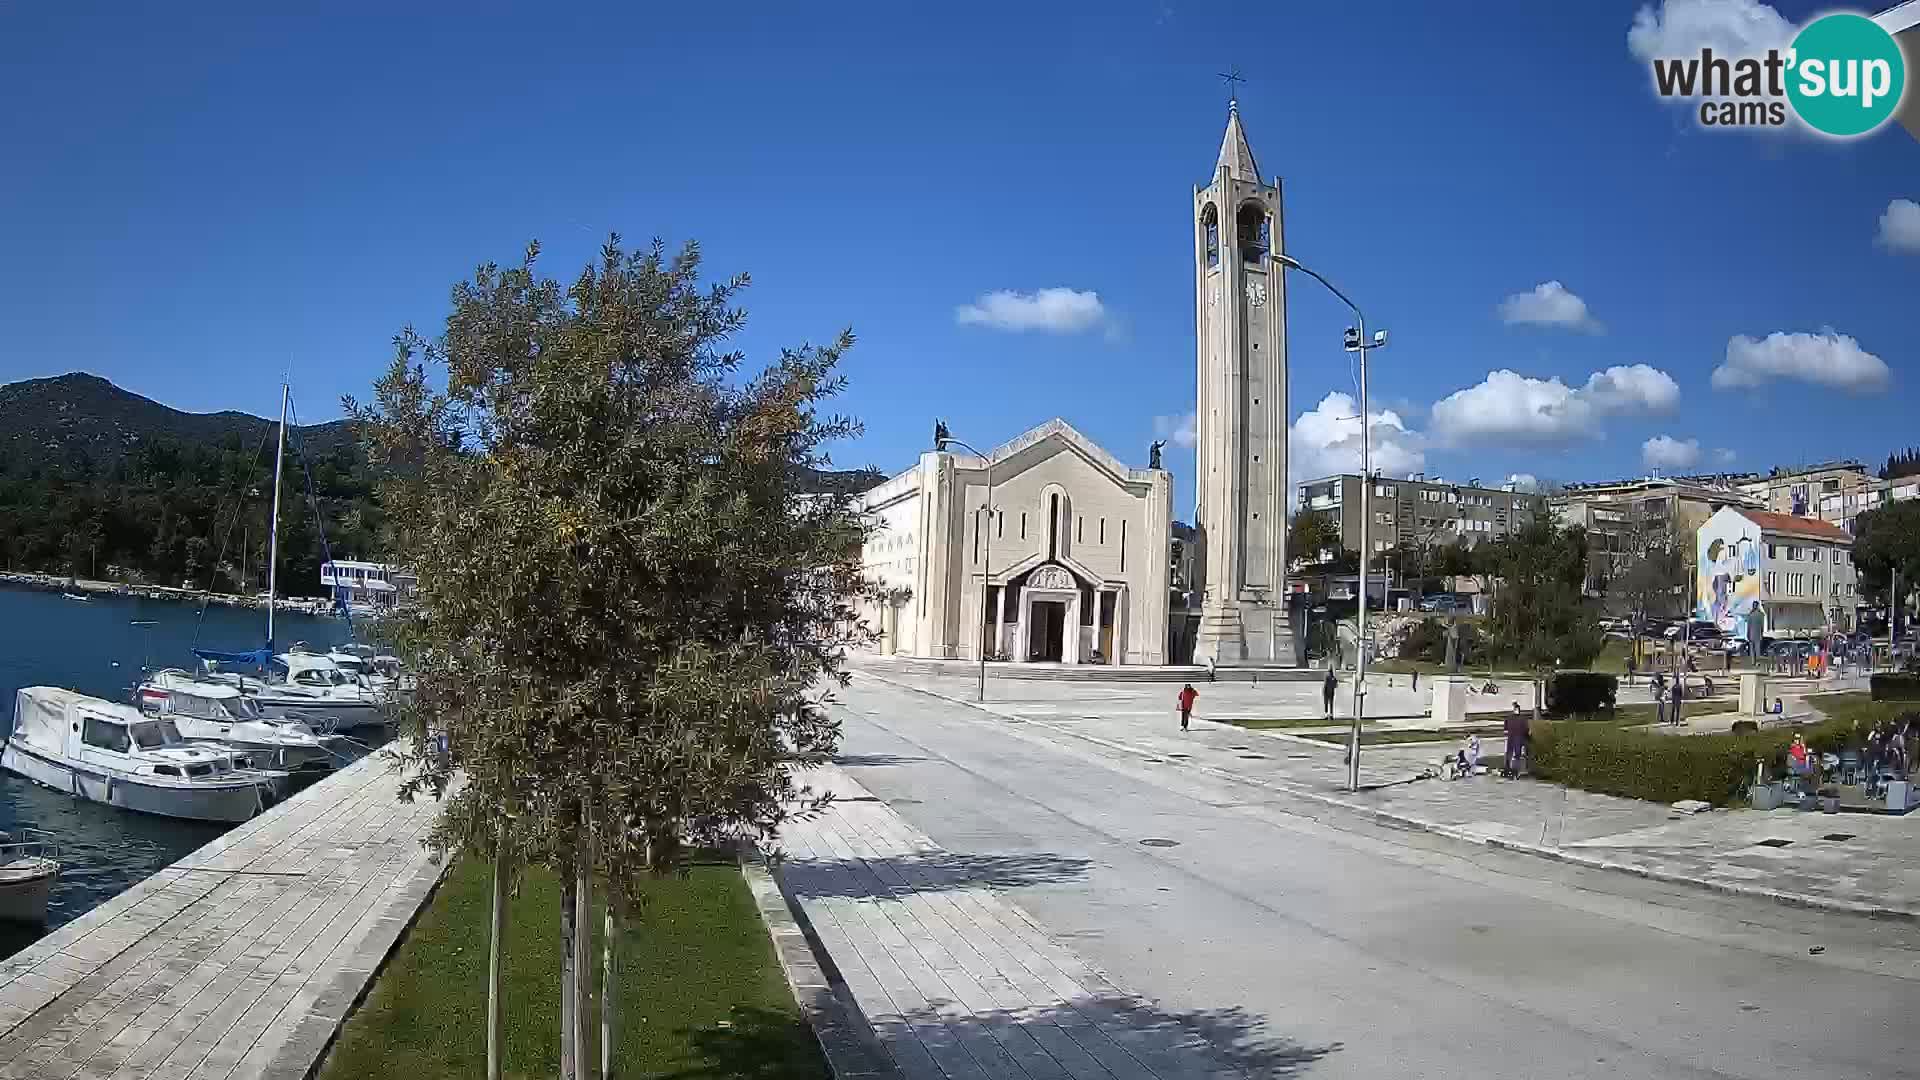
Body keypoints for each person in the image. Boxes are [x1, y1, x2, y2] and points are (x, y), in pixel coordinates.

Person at [1503, 704, 1530, 777]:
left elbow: (1505, 729)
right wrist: (1527, 737)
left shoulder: (1509, 717)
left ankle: (1508, 770)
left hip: (1512, 738)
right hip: (1518, 738)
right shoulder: (1523, 719)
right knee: (1517, 755)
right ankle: (1515, 771)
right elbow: (1526, 730)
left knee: (1510, 753)